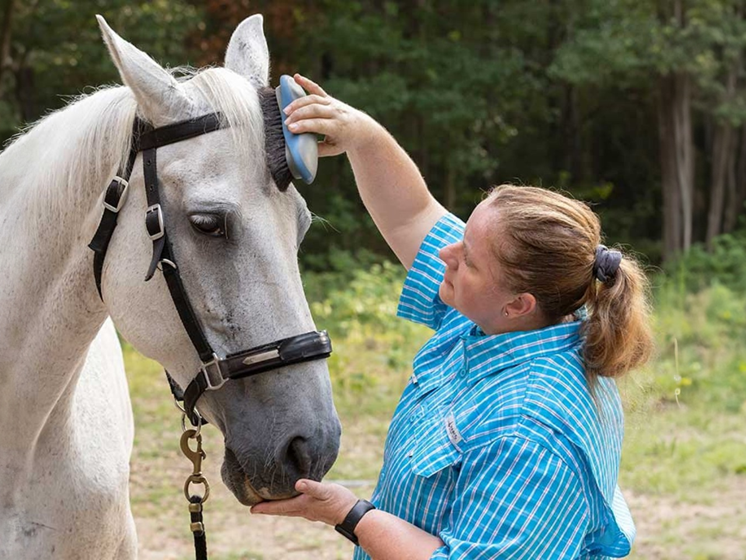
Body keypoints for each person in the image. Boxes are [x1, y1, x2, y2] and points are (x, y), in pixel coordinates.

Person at [252, 74, 654, 560]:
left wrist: (349, 514)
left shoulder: (531, 426)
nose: (446, 251)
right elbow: (411, 214)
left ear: (518, 302)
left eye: (469, 258)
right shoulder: (501, 316)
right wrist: (361, 134)